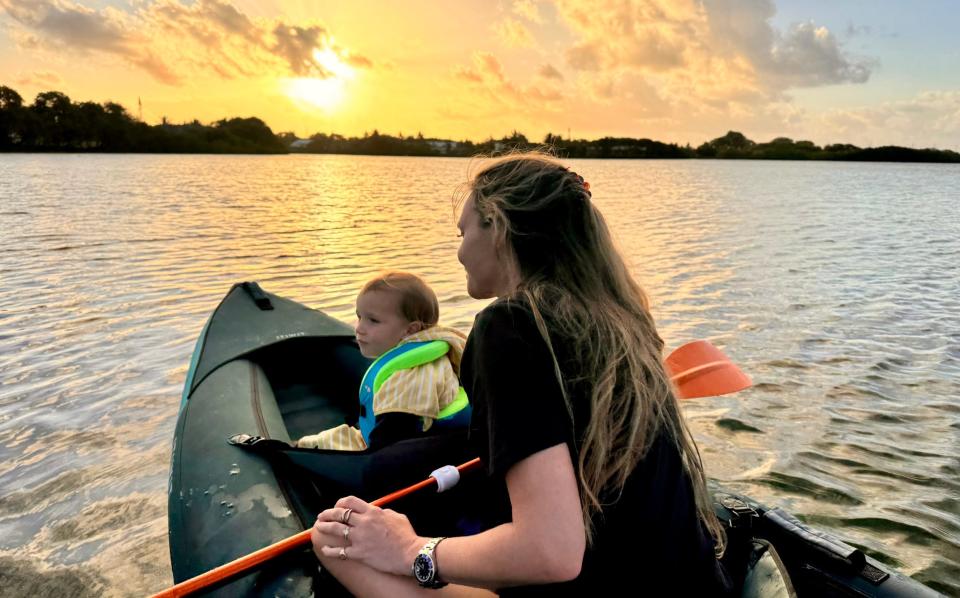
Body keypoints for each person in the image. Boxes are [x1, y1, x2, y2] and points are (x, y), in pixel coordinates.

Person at [309, 153, 732, 595]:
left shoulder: (510, 325)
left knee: (331, 540)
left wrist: (412, 549)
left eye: (463, 231)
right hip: (696, 583)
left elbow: (550, 552)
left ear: (497, 226)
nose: (458, 252)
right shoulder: (620, 321)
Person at [296, 271, 469, 451]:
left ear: (410, 330)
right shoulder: (431, 353)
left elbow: (389, 443)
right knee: (327, 438)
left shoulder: (410, 377)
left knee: (312, 447)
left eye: (373, 320)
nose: (359, 328)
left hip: (395, 455)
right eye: (359, 317)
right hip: (388, 440)